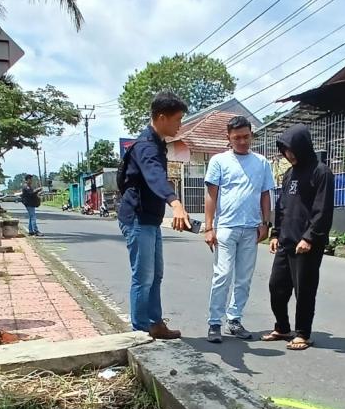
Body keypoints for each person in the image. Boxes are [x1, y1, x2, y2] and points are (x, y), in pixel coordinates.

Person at [117, 91, 193, 339]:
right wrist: (176, 203)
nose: (180, 125)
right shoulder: (146, 146)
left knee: (155, 274)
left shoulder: (157, 143)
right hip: (138, 218)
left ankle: (154, 323)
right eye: (178, 119)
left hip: (150, 219)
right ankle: (140, 332)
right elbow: (155, 176)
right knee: (143, 276)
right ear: (161, 117)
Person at [203, 116, 274, 343]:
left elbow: (265, 194)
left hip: (251, 228)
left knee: (244, 278)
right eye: (237, 138)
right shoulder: (219, 161)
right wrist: (209, 227)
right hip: (225, 227)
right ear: (228, 138)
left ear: (251, 135)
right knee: (222, 275)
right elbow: (211, 195)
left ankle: (234, 319)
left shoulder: (262, 163)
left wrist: (265, 222)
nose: (242, 141)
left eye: (245, 137)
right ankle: (215, 322)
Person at [262, 125, 334, 351]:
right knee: (276, 286)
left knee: (304, 289)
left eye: (292, 150)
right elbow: (282, 206)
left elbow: (323, 210)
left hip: (307, 244)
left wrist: (310, 237)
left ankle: (303, 333)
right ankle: (282, 327)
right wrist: (275, 233)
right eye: (285, 150)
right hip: (286, 240)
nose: (289, 155)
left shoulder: (321, 172)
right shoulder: (288, 174)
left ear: (303, 147)